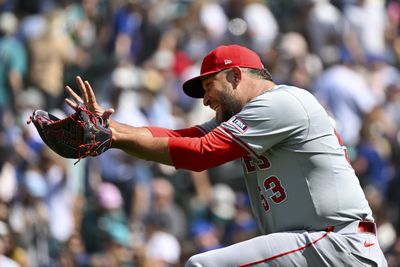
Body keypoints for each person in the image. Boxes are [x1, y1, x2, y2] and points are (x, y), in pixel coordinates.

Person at [65, 44, 387, 266]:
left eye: (209, 85)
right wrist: (111, 129)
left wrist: (115, 138)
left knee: (203, 264)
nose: (205, 99)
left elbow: (201, 154)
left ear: (236, 76)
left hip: (336, 243)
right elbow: (184, 136)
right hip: (315, 248)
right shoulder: (253, 114)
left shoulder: (282, 102)